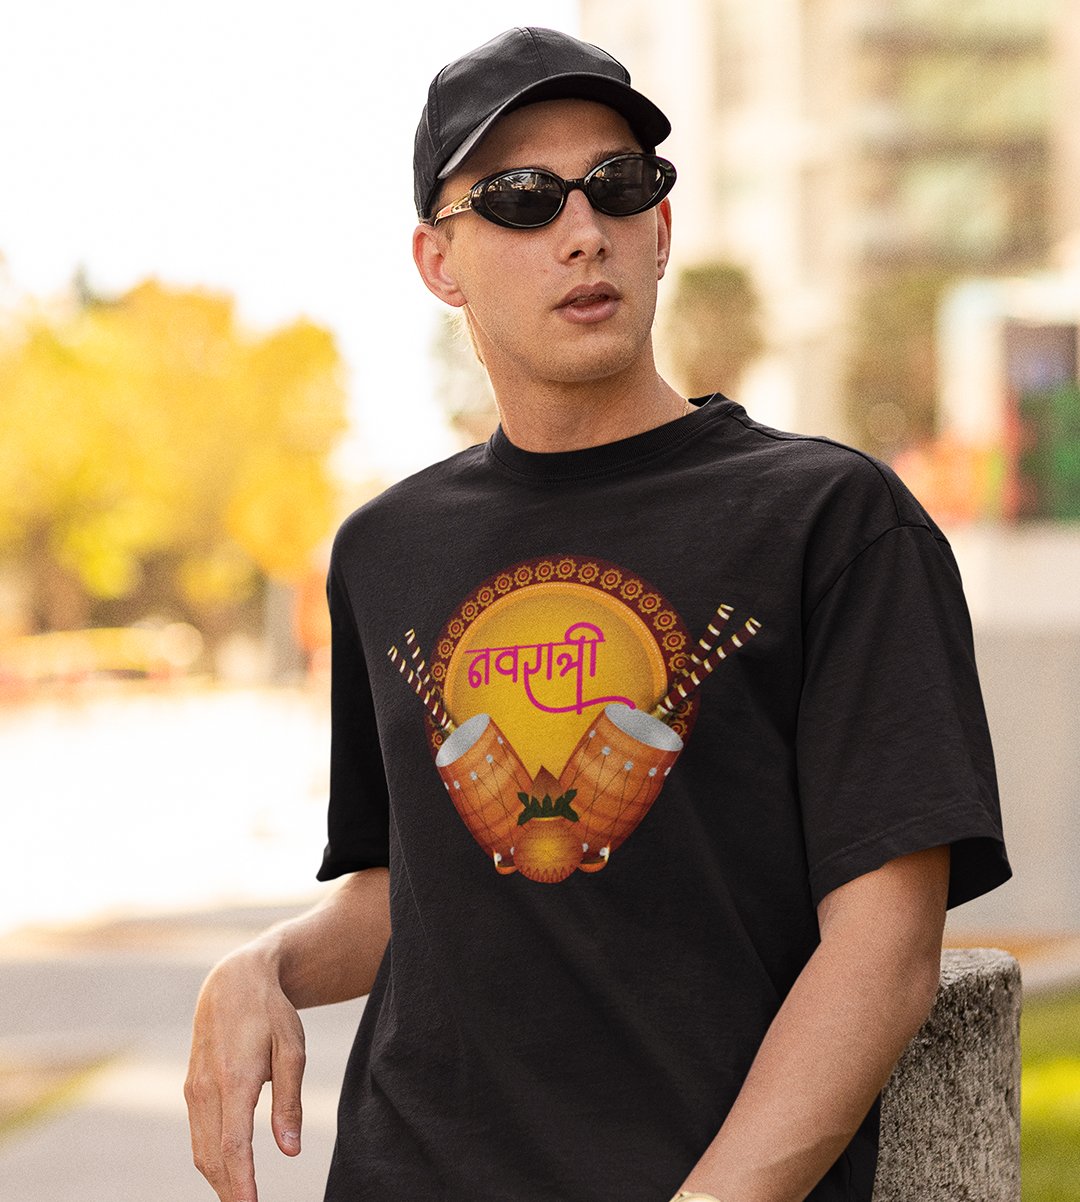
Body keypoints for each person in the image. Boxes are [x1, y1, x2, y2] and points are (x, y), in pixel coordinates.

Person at [185, 26, 1011, 1202]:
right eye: (521, 199)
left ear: (660, 230)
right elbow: (406, 887)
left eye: (618, 185)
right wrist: (263, 964)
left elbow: (886, 947)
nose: (583, 229)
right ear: (439, 261)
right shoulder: (384, 550)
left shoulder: (832, 521)